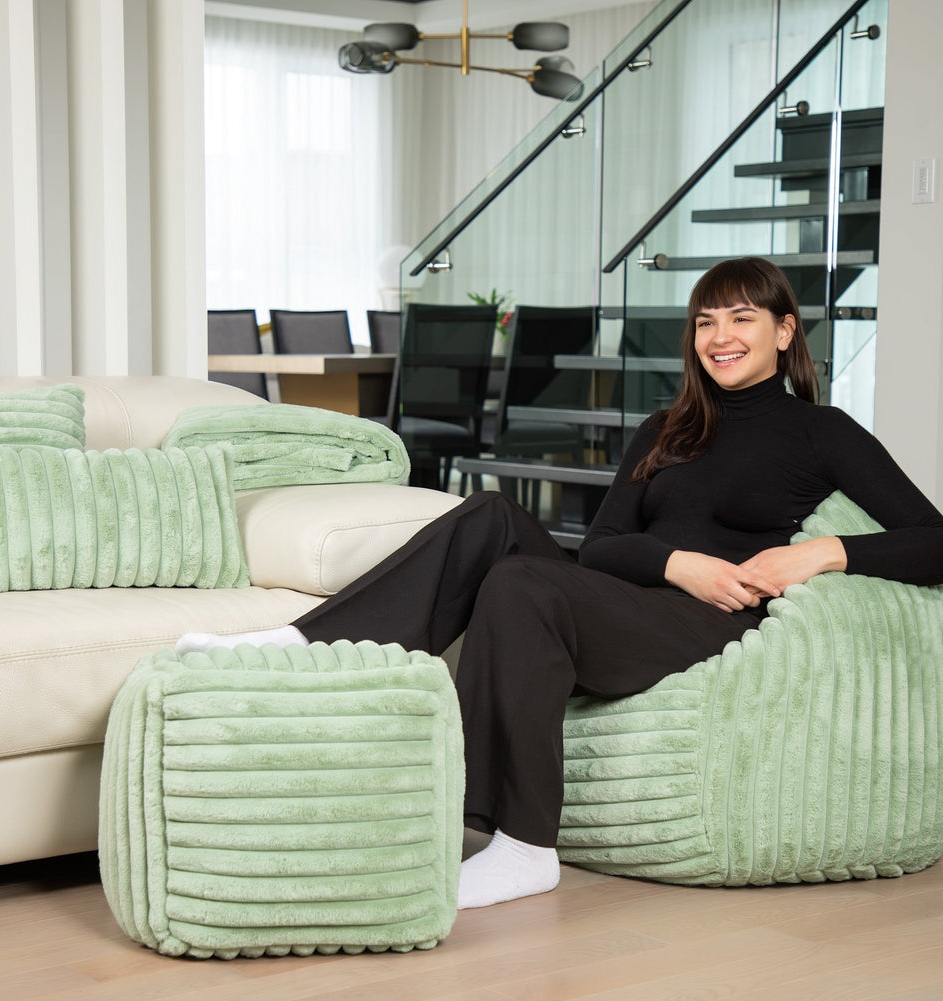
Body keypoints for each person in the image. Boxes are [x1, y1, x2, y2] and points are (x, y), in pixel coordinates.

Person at [178, 257, 943, 910]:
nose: (720, 338)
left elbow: (935, 540)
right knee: (489, 516)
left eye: (741, 319)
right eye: (705, 323)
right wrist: (678, 562)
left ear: (784, 331)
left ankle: (523, 845)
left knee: (521, 586)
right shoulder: (666, 428)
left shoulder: (823, 431)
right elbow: (605, 545)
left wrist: (822, 554)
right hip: (638, 595)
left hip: (708, 624)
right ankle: (306, 646)